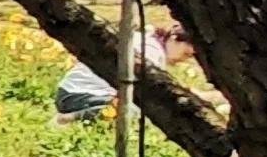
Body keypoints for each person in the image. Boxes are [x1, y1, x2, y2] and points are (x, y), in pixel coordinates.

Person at [55, 23, 184, 123]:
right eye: (186, 54)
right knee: (137, 112)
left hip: (69, 92)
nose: (183, 60)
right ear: (174, 38)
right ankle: (72, 118)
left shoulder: (145, 40)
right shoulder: (150, 51)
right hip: (81, 95)